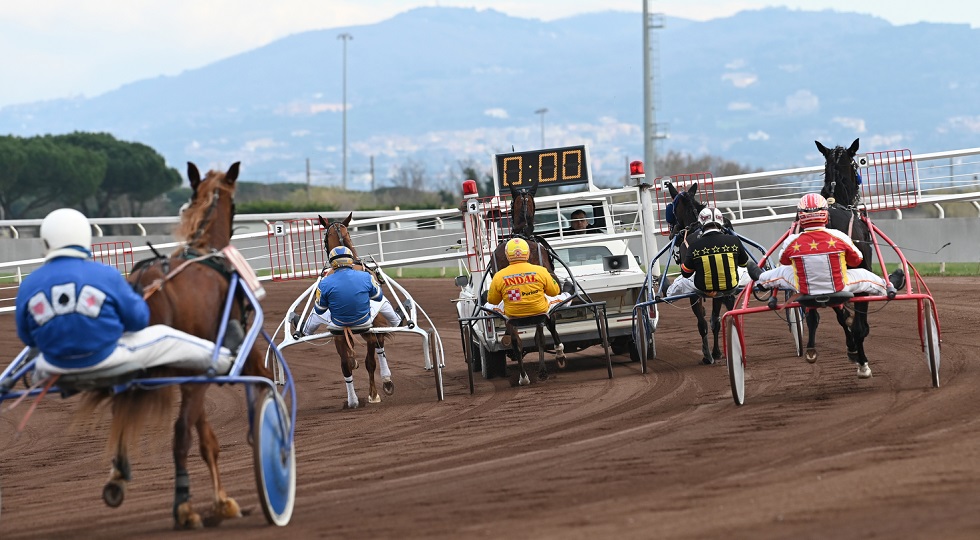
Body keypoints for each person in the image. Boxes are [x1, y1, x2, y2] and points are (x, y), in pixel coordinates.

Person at [15, 208, 234, 381]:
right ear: (85, 238)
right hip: (105, 359)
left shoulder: (28, 285)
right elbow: (138, 321)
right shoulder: (105, 274)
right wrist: (135, 298)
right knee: (165, 336)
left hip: (52, 365)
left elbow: (27, 338)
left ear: (45, 242)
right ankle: (225, 359)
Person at [297, 246, 404, 335]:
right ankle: (396, 322)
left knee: (315, 311)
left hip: (337, 324)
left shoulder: (324, 282)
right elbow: (378, 297)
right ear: (351, 260)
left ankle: (306, 332)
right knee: (382, 301)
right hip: (364, 321)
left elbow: (320, 310)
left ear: (332, 263)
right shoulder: (366, 277)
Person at [666, 207, 752, 297]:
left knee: (681, 280)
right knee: (747, 271)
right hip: (731, 287)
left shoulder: (694, 246)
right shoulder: (734, 240)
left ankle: (668, 294)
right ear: (721, 222)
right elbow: (743, 264)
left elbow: (686, 273)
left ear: (701, 223)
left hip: (702, 289)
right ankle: (763, 282)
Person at [485, 238, 571, 318]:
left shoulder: (498, 276)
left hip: (512, 314)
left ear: (507, 255)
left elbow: (493, 300)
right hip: (540, 310)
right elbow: (554, 292)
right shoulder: (541, 271)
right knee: (566, 297)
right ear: (528, 253)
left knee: (487, 306)